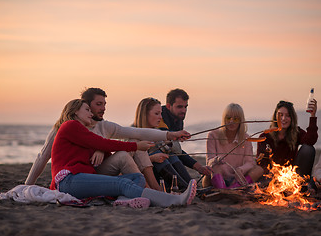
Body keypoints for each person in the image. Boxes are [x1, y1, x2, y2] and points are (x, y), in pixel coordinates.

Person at [25, 88, 190, 192]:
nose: (103, 108)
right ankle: (152, 192)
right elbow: (42, 157)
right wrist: (26, 187)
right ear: (85, 106)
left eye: (104, 103)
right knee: (132, 146)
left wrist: (169, 135)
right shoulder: (64, 127)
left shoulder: (105, 126)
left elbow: (136, 132)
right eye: (98, 104)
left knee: (132, 142)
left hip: (97, 171)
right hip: (79, 176)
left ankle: (152, 190)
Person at [51, 99, 197, 208]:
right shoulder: (70, 125)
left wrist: (101, 149)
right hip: (68, 180)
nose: (91, 113)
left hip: (82, 177)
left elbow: (103, 146)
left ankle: (124, 200)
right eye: (87, 110)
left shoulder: (82, 130)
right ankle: (172, 200)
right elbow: (102, 143)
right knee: (122, 182)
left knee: (136, 177)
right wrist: (136, 146)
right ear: (75, 111)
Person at [132, 97, 193, 191]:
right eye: (156, 114)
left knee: (170, 155)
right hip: (144, 178)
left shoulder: (157, 132)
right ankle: (184, 188)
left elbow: (177, 151)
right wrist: (152, 158)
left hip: (160, 177)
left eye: (161, 113)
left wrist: (171, 141)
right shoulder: (133, 135)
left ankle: (189, 186)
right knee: (157, 157)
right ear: (145, 115)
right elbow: (129, 164)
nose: (160, 117)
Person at [204, 103, 264, 188]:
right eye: (228, 118)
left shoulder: (246, 138)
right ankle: (223, 190)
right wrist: (216, 159)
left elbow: (250, 162)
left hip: (237, 178)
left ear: (240, 121)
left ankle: (236, 188)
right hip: (216, 176)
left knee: (259, 169)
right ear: (224, 119)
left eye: (235, 119)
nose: (231, 122)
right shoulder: (213, 135)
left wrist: (240, 170)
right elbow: (209, 161)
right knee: (215, 166)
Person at [158, 88, 212, 180]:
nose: (183, 110)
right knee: (173, 157)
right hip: (155, 156)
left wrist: (199, 167)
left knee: (174, 156)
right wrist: (198, 167)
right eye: (179, 107)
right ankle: (188, 185)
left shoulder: (178, 120)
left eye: (185, 107)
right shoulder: (160, 117)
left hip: (167, 156)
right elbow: (172, 149)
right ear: (168, 106)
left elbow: (176, 150)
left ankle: (188, 185)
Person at [257, 99, 318, 177]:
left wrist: (313, 116)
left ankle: (304, 184)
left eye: (288, 115)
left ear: (292, 118)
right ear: (275, 117)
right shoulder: (265, 137)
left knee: (308, 149)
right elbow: (261, 163)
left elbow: (311, 140)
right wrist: (273, 174)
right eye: (280, 115)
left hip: (291, 176)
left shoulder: (296, 132)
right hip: (271, 177)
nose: (283, 118)